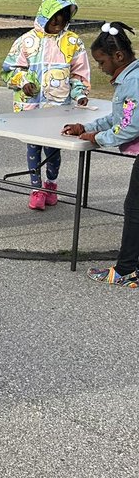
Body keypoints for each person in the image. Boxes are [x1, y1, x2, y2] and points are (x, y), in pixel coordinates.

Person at [62, 21, 139, 287]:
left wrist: (98, 138)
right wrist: (87, 127)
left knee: (134, 209)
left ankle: (126, 270)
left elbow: (129, 126)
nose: (99, 67)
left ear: (118, 56)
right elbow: (120, 116)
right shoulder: (131, 78)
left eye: (101, 61)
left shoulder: (134, 82)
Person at [1, 0, 91, 210]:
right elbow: (9, 70)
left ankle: (51, 185)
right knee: (33, 148)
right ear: (44, 16)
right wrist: (23, 82)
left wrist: (80, 94)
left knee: (53, 150)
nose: (57, 26)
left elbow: (79, 74)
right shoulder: (25, 41)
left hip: (58, 109)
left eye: (62, 21)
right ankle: (36, 189)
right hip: (31, 109)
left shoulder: (73, 42)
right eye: (53, 21)